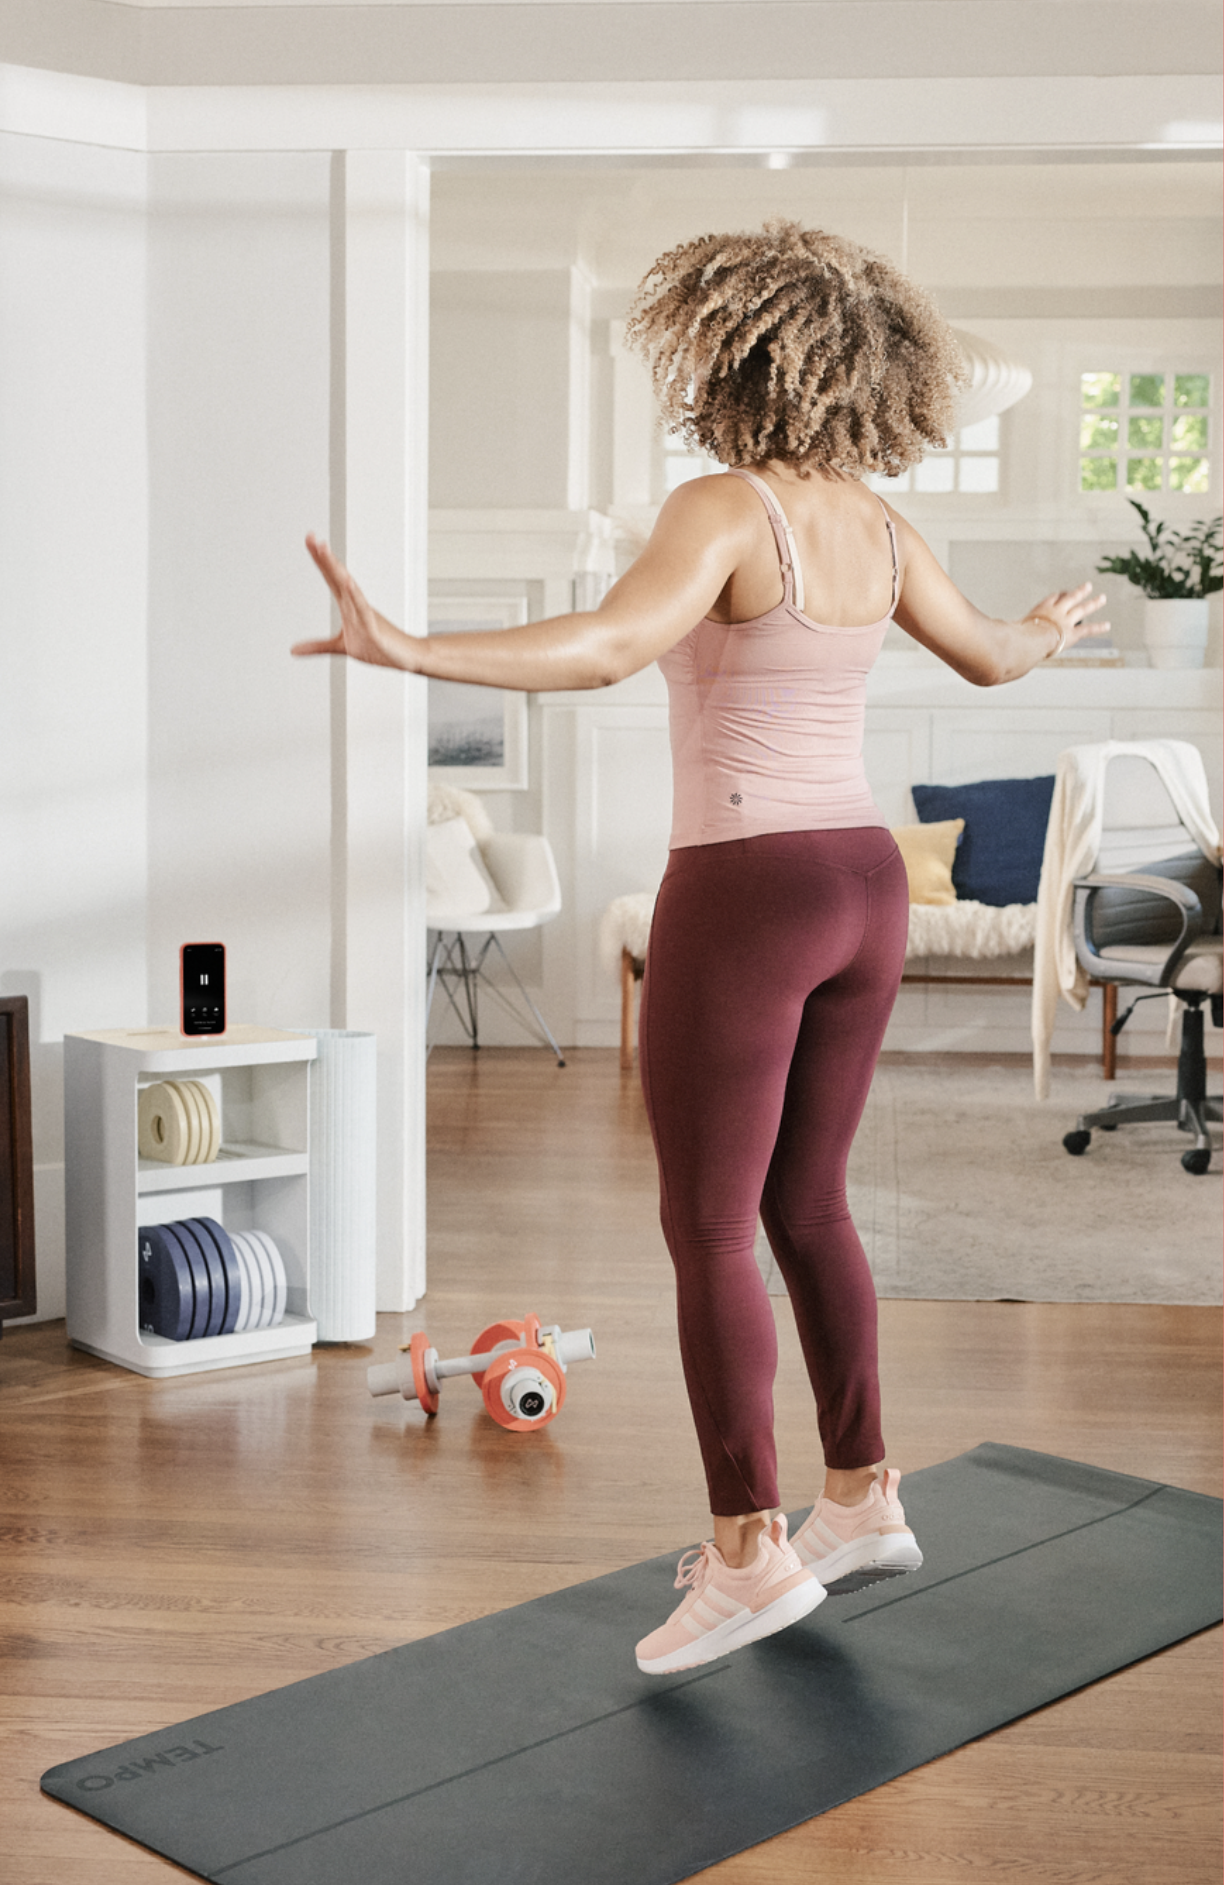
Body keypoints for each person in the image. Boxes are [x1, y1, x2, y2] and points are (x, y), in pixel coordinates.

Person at [294, 220, 1109, 1676]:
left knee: (710, 1227)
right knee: (810, 1204)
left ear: (727, 351)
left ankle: (747, 1551)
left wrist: (412, 651)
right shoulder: (871, 519)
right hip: (863, 883)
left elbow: (610, 647)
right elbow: (988, 655)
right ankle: (859, 1496)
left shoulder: (726, 507)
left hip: (746, 882)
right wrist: (1047, 627)